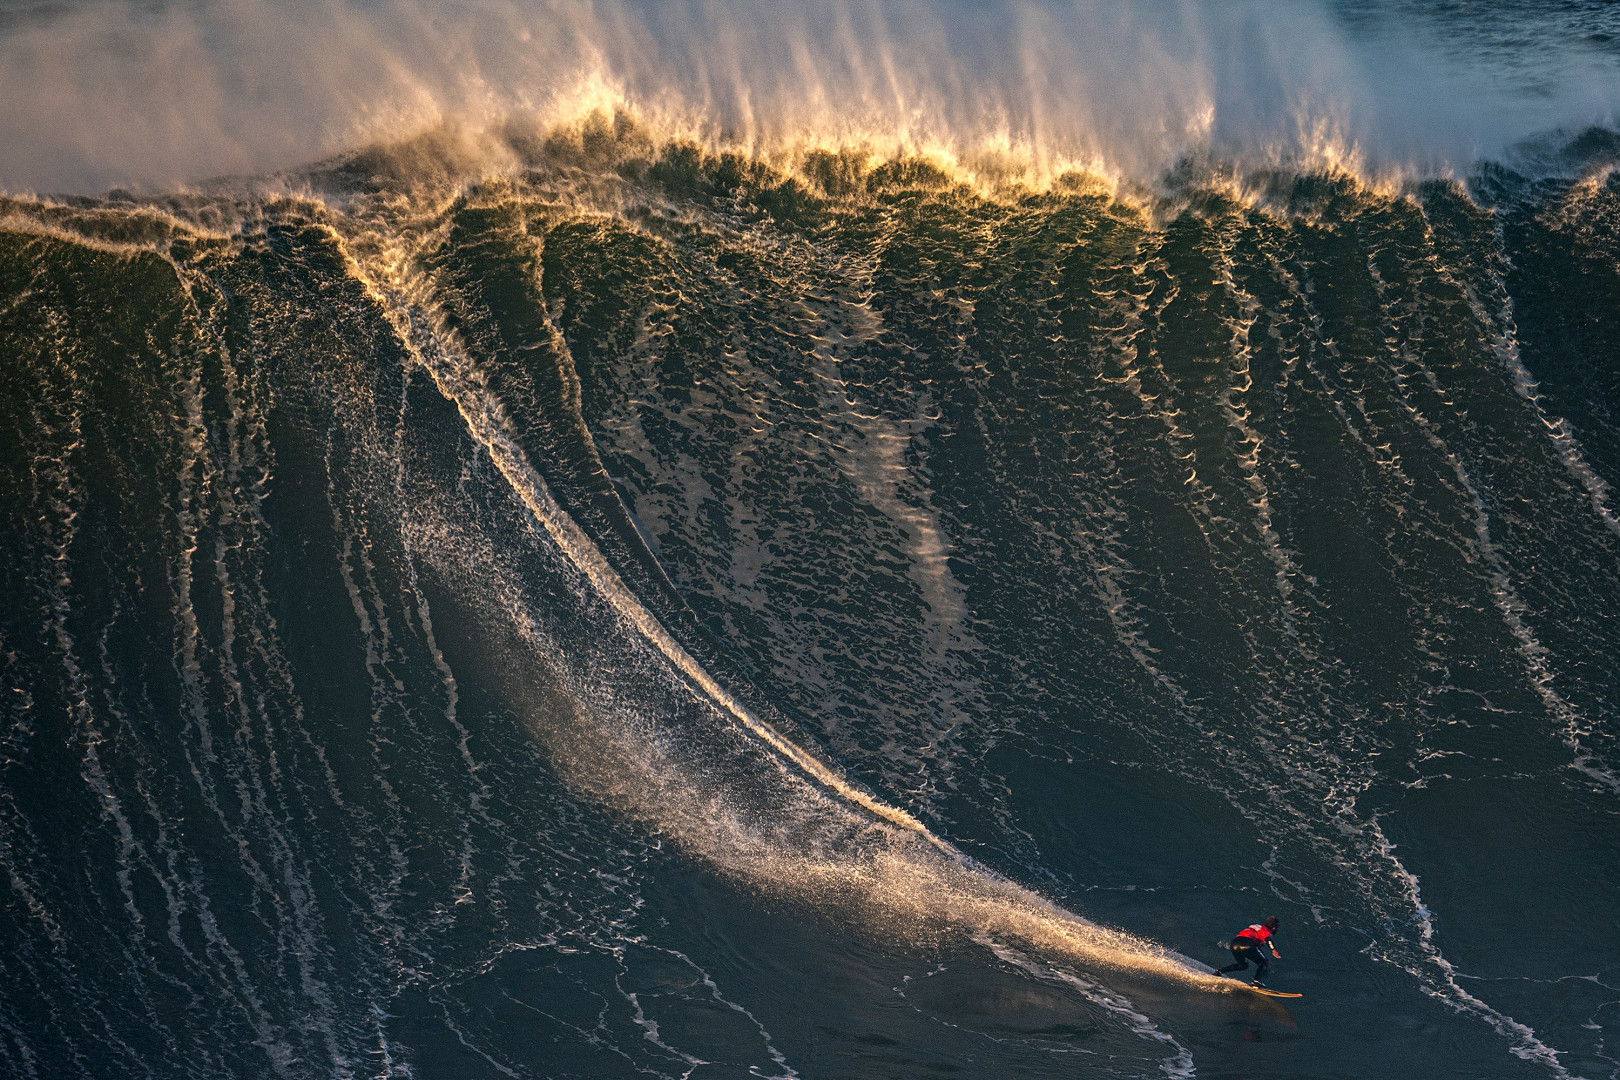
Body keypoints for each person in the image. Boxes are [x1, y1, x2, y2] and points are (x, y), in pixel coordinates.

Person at [1215, 915, 1281, 985]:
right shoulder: (1265, 931)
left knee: (1243, 965)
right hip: (1247, 943)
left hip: (1235, 943)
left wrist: (1265, 959)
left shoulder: (1258, 928)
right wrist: (1273, 949)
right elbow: (1268, 940)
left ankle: (1219, 971)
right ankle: (1256, 982)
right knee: (1264, 964)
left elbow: (1256, 948)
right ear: (1274, 927)